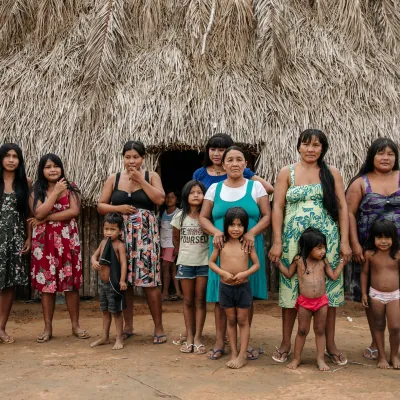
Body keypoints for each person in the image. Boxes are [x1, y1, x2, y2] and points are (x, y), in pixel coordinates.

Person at [269, 129, 351, 365]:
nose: (311, 149)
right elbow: (277, 207)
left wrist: (344, 241)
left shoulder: (332, 172)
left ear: (323, 149)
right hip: (294, 243)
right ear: (298, 147)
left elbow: (343, 208)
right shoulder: (287, 172)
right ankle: (286, 343)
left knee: (330, 291)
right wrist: (277, 241)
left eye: (316, 145)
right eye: (306, 144)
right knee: (290, 290)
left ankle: (331, 344)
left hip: (328, 243)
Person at [200, 146, 270, 361]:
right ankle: (221, 342)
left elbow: (267, 216)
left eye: (239, 159)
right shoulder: (214, 189)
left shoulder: (256, 187)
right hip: (221, 249)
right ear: (223, 164)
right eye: (229, 160)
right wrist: (216, 232)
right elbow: (203, 218)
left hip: (249, 248)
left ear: (246, 165)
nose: (234, 163)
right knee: (220, 297)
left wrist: (252, 232)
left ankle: (243, 345)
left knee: (246, 299)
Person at [97, 141, 166, 343]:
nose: (132, 161)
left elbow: (159, 199)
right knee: (123, 280)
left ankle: (159, 328)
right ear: (123, 158)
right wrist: (118, 209)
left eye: (136, 157)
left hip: (145, 236)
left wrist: (140, 181)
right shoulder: (114, 178)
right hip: (120, 237)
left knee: (150, 282)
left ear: (143, 158)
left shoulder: (151, 176)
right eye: (128, 157)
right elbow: (101, 205)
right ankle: (127, 326)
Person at [346, 137, 400, 361]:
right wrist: (355, 244)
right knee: (373, 294)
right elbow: (349, 213)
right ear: (372, 156)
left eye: (390, 153)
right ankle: (375, 342)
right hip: (369, 248)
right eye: (380, 153)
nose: (385, 158)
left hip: (398, 250)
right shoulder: (360, 183)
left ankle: (396, 345)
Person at [29, 154, 89, 342]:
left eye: (56, 166)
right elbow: (38, 211)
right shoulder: (36, 190)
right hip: (44, 242)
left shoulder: (71, 187)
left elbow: (74, 211)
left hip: (67, 239)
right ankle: (48, 328)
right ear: (42, 170)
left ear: (62, 168)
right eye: (48, 167)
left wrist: (47, 218)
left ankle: (75, 325)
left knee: (71, 284)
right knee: (48, 285)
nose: (53, 170)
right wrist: (55, 193)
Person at [276, 228, 346, 371]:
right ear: (308, 247)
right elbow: (289, 274)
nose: (323, 251)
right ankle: (296, 358)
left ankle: (320, 359)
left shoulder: (323, 262)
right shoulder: (299, 261)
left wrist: (342, 262)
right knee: (302, 330)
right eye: (319, 248)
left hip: (321, 302)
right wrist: (278, 263)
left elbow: (333, 276)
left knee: (320, 330)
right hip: (304, 302)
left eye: (324, 247)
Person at [209, 207, 260, 369]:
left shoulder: (247, 244)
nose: (236, 229)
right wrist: (222, 272)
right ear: (226, 226)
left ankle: (242, 354)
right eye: (232, 225)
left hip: (243, 287)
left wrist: (245, 273)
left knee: (243, 320)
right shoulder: (221, 243)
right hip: (226, 287)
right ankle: (233, 353)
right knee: (231, 320)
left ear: (245, 227)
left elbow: (257, 265)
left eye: (240, 225)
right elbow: (211, 263)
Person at [171, 180, 209, 354]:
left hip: (204, 263)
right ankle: (189, 336)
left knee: (200, 300)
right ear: (186, 195)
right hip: (185, 262)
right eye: (192, 192)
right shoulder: (180, 216)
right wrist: (181, 254)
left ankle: (198, 337)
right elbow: (175, 238)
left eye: (199, 192)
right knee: (187, 300)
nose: (196, 195)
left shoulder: (208, 216)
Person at [0, 143, 31, 344]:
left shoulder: (25, 183)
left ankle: (1, 328)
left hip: (16, 239)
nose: (11, 160)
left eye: (15, 156)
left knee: (9, 285)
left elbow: (28, 214)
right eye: (7, 156)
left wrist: (28, 237)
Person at [361, 219, 400, 369]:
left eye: (387, 238)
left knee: (395, 327)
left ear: (394, 238)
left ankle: (394, 355)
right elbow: (364, 274)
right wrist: (364, 293)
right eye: (379, 237)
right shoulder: (370, 254)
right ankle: (382, 357)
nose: (383, 242)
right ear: (373, 238)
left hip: (394, 295)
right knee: (378, 325)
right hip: (376, 295)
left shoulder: (397, 255)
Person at [91, 213, 127, 350]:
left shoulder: (119, 246)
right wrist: (94, 262)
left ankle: (119, 338)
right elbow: (94, 256)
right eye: (106, 229)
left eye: (113, 229)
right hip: (103, 284)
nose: (109, 232)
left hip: (114, 284)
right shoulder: (103, 243)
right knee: (105, 311)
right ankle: (105, 337)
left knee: (116, 312)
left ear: (119, 231)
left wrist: (122, 280)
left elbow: (123, 264)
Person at [193, 133, 274, 193]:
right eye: (213, 149)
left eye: (221, 150)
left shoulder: (242, 171)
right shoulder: (200, 173)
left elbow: (269, 189)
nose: (216, 154)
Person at [159, 190, 182, 301]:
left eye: (172, 197)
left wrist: (177, 246)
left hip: (171, 244)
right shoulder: (162, 212)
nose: (169, 199)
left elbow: (178, 232)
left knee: (165, 266)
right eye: (167, 197)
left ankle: (165, 292)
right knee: (172, 268)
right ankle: (178, 292)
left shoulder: (178, 213)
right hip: (163, 243)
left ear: (177, 200)